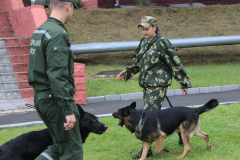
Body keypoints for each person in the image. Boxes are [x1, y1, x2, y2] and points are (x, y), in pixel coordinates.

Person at [118, 16, 191, 159]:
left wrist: (184, 82)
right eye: (143, 30)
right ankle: (179, 131)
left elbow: (174, 63)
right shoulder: (143, 42)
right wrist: (127, 73)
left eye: (147, 29)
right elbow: (137, 62)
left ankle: (147, 149)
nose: (144, 32)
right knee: (153, 115)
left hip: (158, 85)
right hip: (147, 84)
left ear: (154, 27)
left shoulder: (163, 43)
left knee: (147, 117)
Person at [28, 0, 83, 159]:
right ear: (69, 6)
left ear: (50, 6)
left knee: (59, 146)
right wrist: (68, 109)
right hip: (55, 101)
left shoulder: (40, 31)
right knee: (72, 151)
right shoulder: (57, 33)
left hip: (42, 98)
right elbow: (57, 75)